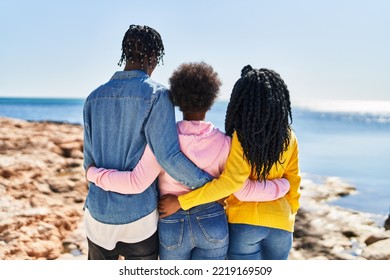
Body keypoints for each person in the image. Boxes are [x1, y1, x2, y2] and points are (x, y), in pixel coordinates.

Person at [85, 62, 291, 260]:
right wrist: (283, 186)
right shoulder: (226, 142)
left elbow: (143, 176)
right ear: (211, 101)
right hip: (213, 220)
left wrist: (93, 173)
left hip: (172, 221)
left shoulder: (165, 138)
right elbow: (231, 184)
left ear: (177, 100)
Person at [82, 25, 213, 260]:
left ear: (125, 52)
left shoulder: (93, 98)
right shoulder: (158, 95)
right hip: (138, 215)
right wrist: (207, 183)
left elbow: (89, 164)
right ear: (154, 56)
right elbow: (168, 156)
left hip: (98, 213)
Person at [158, 65, 301, 260]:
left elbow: (234, 185)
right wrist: (287, 208)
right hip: (282, 225)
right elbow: (294, 184)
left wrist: (182, 201)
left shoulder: (240, 138)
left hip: (244, 225)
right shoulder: (289, 138)